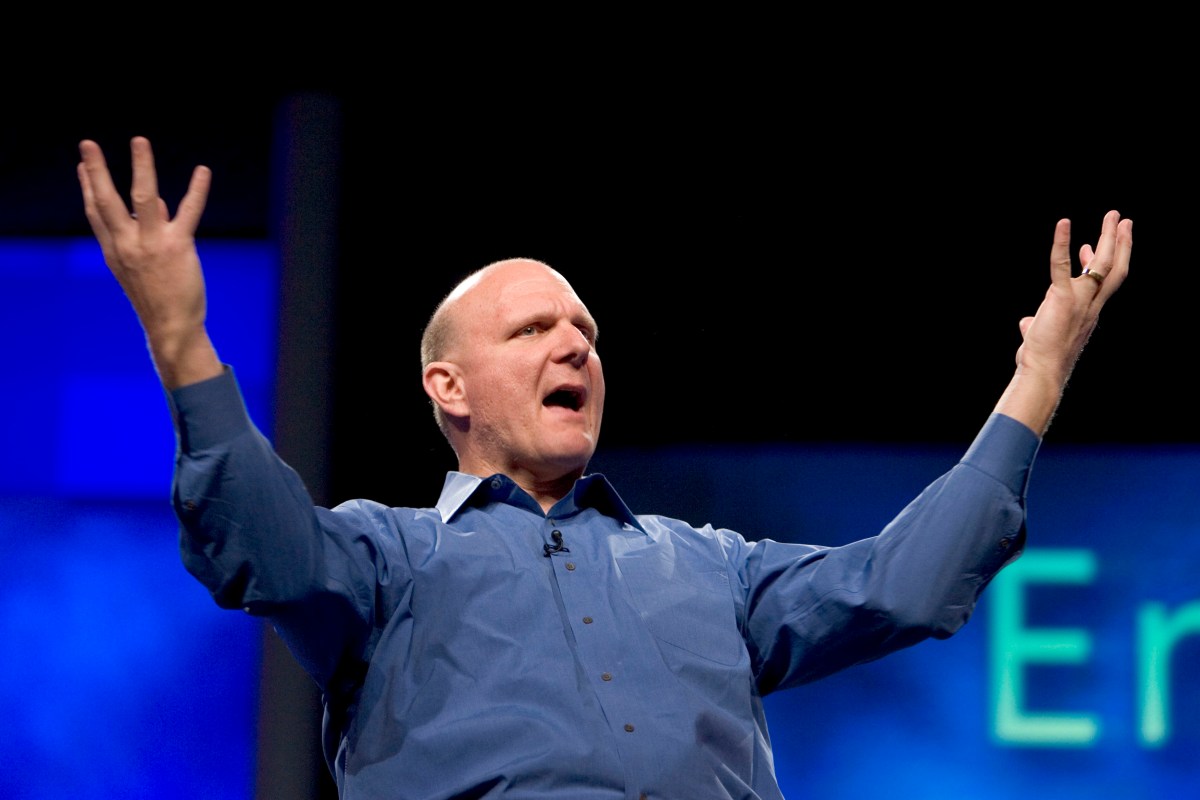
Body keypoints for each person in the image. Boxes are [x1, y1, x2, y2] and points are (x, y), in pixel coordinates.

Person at [77, 135, 1132, 800]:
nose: (576, 346)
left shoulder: (712, 566)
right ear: (448, 386)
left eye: (585, 331)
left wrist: (1039, 375)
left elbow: (903, 584)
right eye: (534, 329)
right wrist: (182, 340)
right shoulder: (385, 557)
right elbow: (258, 543)